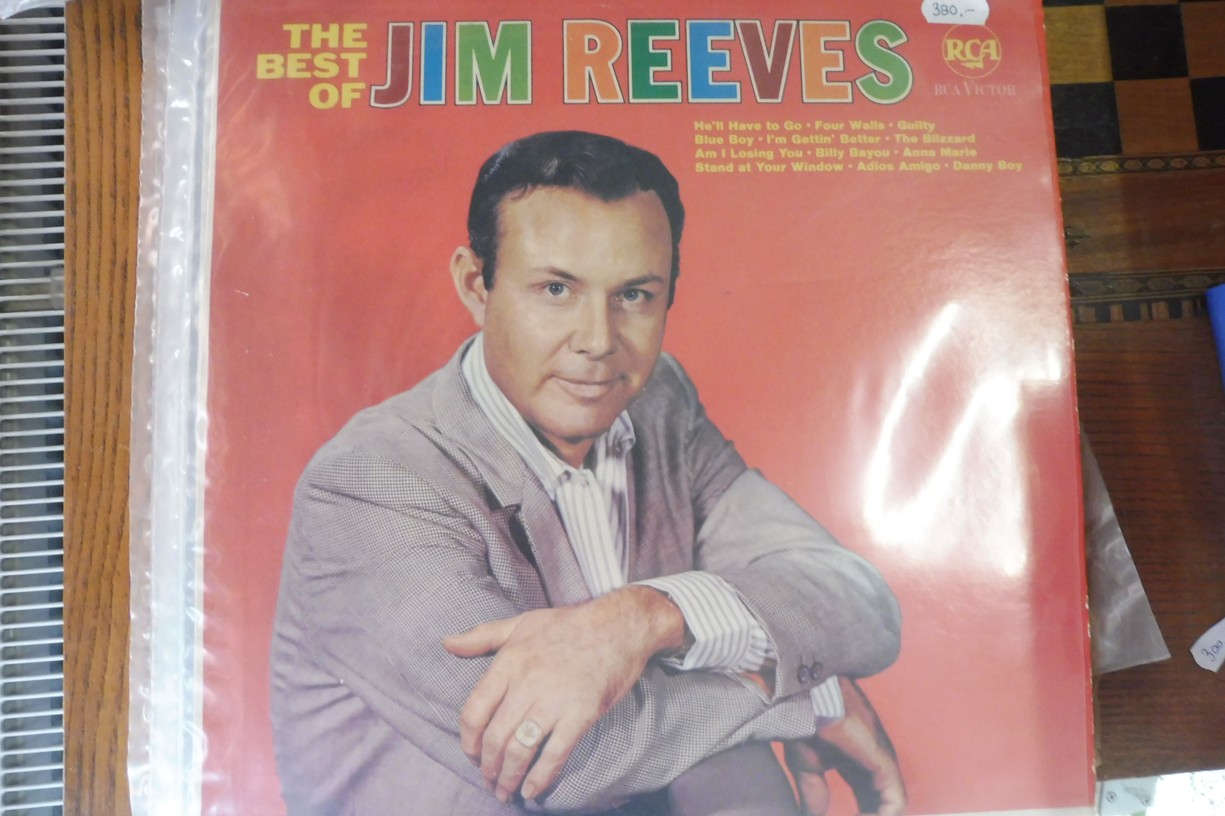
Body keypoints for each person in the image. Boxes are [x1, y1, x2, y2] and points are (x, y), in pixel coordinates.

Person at [270, 130, 905, 815]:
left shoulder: (657, 401)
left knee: (733, 767)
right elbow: (563, 756)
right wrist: (811, 696)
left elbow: (856, 599)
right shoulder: (371, 482)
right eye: (555, 289)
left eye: (633, 295)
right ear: (476, 285)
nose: (599, 341)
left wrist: (642, 619)